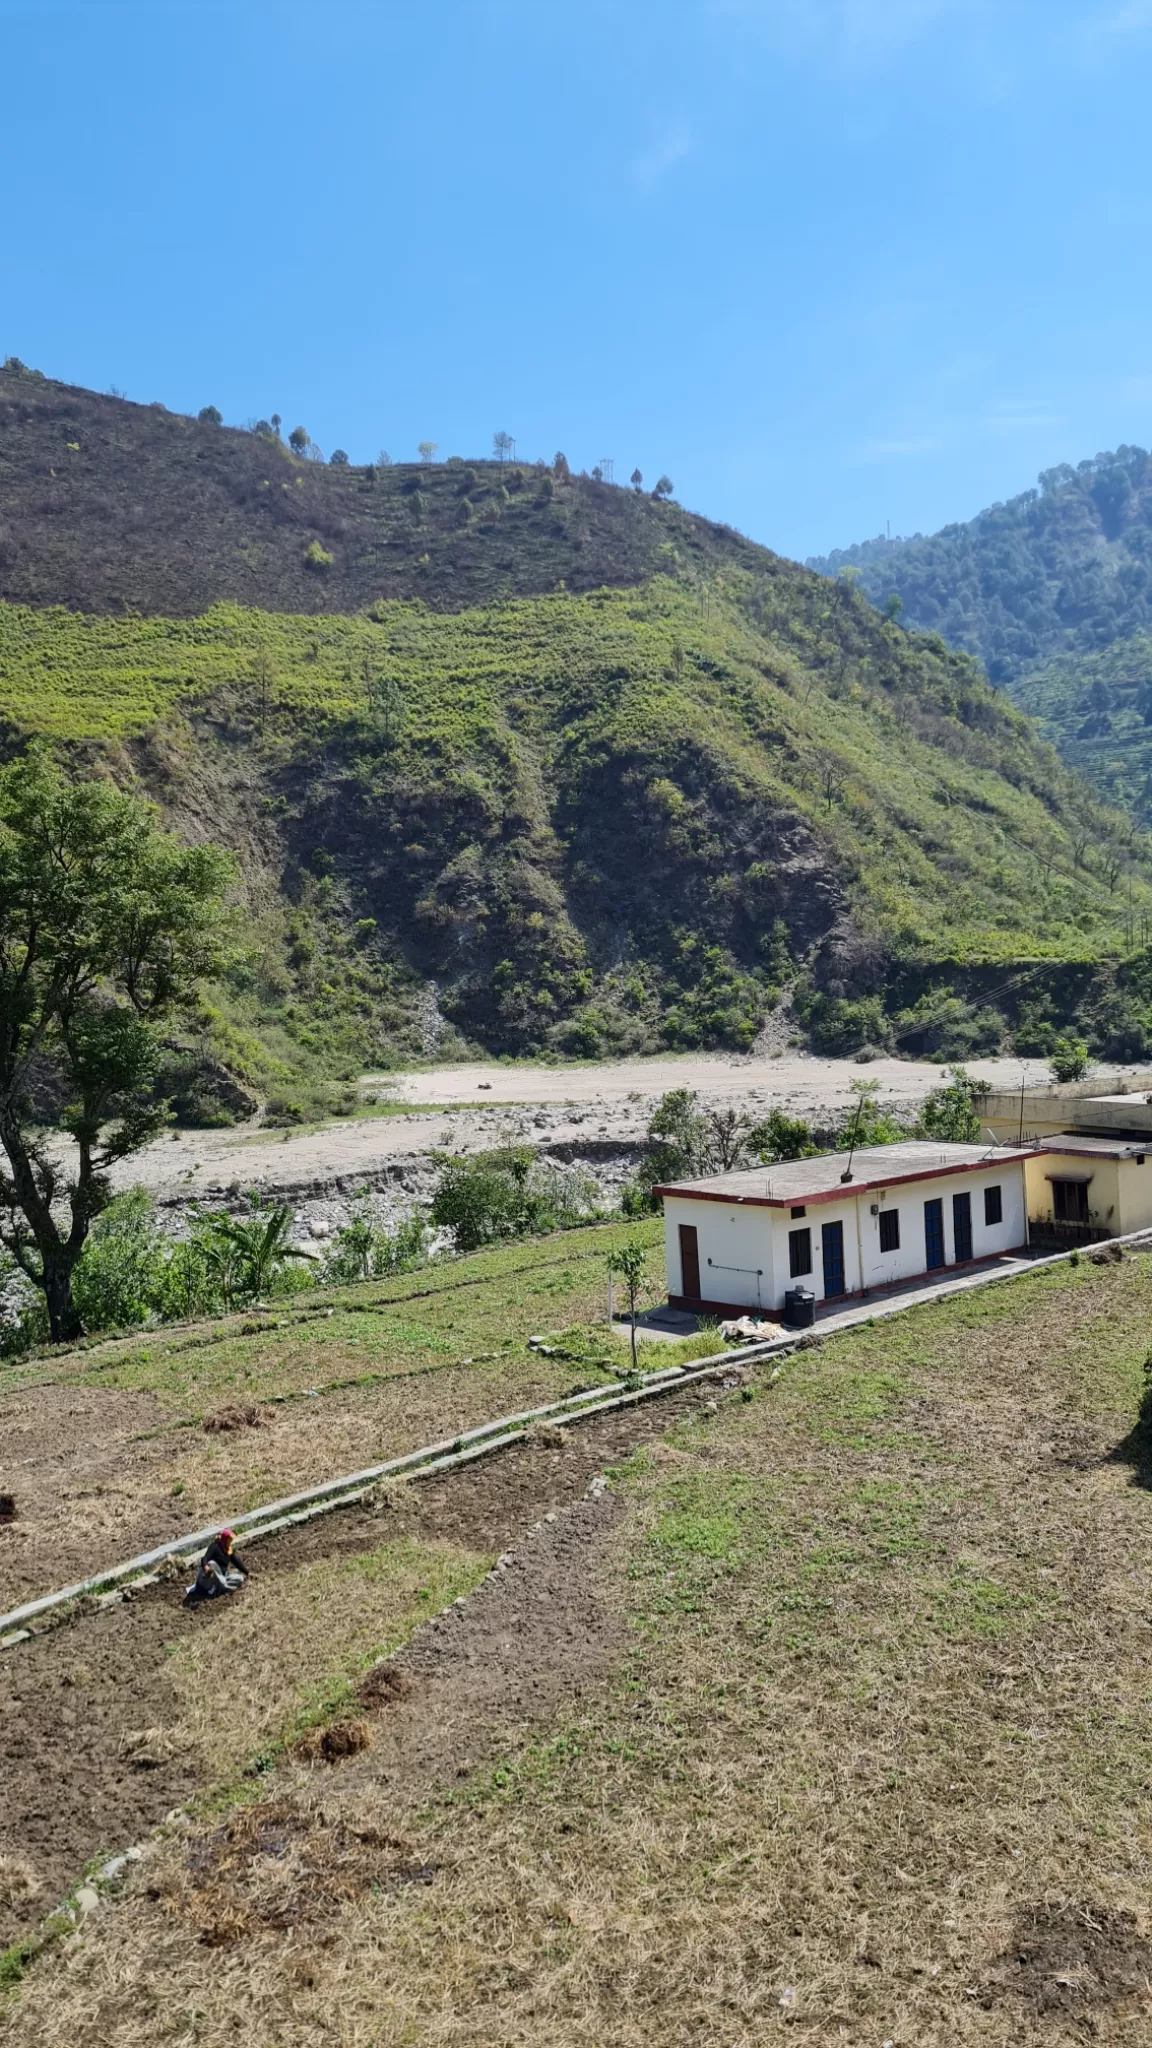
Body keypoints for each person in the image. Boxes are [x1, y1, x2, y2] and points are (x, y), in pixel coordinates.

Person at [182, 1528, 248, 1608]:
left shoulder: (228, 1550)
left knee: (240, 1578)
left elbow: (237, 1562)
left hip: (221, 1577)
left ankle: (219, 1588)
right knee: (212, 1563)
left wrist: (247, 1573)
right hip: (208, 1579)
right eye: (229, 1540)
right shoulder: (215, 1547)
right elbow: (204, 1559)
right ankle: (217, 1588)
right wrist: (206, 1567)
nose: (230, 1542)